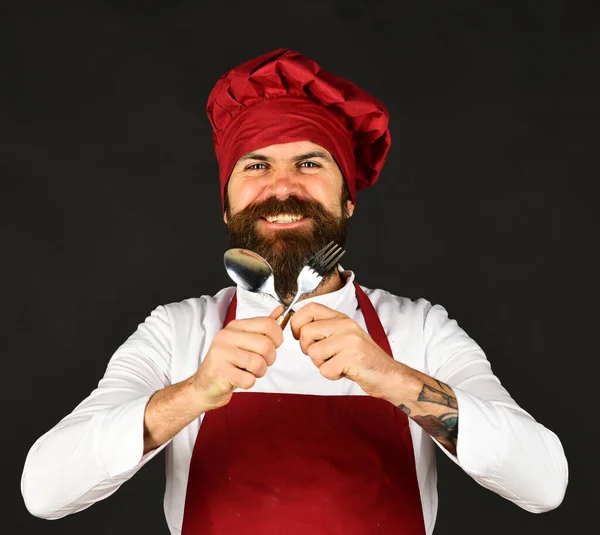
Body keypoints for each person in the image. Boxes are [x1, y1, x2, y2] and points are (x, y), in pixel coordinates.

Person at [21, 48, 568, 535]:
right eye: (256, 165)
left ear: (348, 199)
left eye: (309, 163)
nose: (282, 187)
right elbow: (45, 493)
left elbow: (544, 485)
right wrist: (193, 393)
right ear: (227, 205)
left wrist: (391, 377)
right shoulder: (179, 332)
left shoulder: (418, 331)